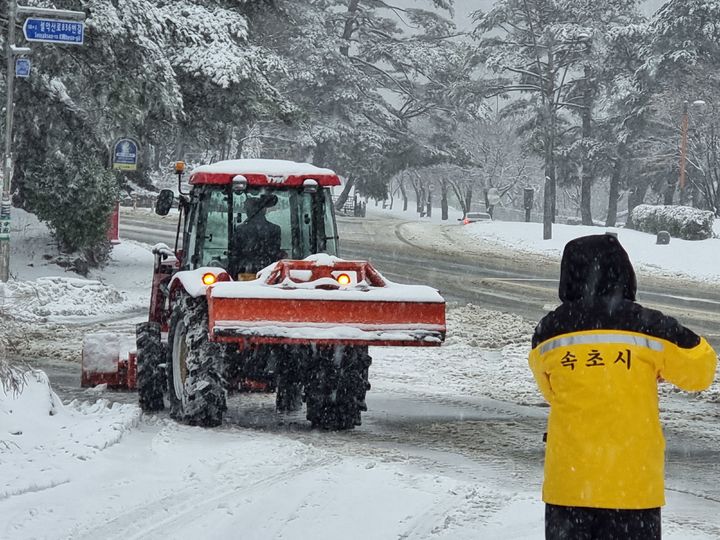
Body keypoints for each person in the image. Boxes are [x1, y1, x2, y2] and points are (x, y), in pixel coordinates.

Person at [528, 233, 717, 540]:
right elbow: (701, 371)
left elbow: (550, 392)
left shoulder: (548, 332)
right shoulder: (650, 326)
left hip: (569, 489)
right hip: (632, 487)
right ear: (623, 273)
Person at [230, 195, 283, 277]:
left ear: (250, 211)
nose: (246, 211)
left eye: (247, 209)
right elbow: (275, 252)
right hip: (270, 273)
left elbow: (235, 253)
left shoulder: (241, 229)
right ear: (264, 210)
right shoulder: (274, 229)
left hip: (243, 273)